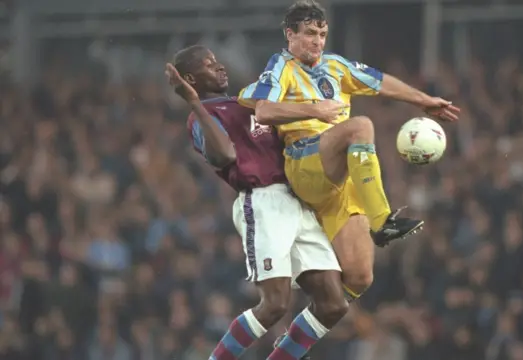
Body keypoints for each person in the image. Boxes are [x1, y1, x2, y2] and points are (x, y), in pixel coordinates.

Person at [238, 0, 460, 330]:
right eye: (310, 34)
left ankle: (294, 342)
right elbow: (264, 111)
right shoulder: (280, 66)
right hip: (305, 163)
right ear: (290, 34)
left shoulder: (336, 66)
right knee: (360, 126)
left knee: (359, 277)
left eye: (322, 34)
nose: (317, 42)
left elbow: (381, 81)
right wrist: (315, 110)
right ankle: (383, 221)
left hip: (340, 182)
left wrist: (425, 101)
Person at [166, 45, 349, 360]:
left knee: (334, 304)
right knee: (276, 303)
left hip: (297, 200)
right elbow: (223, 156)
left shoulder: (249, 103)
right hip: (262, 202)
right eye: (210, 65)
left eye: (218, 60)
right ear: (191, 79)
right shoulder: (201, 118)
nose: (220, 66)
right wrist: (194, 104)